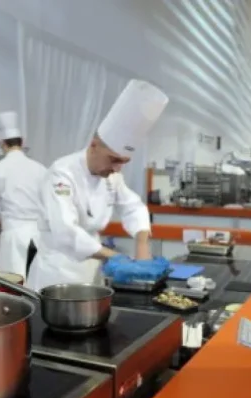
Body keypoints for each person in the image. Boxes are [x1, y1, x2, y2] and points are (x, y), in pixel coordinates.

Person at [26, 80, 169, 290]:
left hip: (92, 268)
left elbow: (133, 206)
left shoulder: (111, 176)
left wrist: (141, 242)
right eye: (113, 159)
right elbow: (65, 231)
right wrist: (116, 257)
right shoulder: (62, 173)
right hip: (58, 273)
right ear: (94, 146)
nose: (118, 169)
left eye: (123, 162)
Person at [0, 111, 47, 277]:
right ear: (22, 142)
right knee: (38, 283)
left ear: (1, 143)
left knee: (13, 286)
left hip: (13, 237)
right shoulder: (41, 169)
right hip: (41, 236)